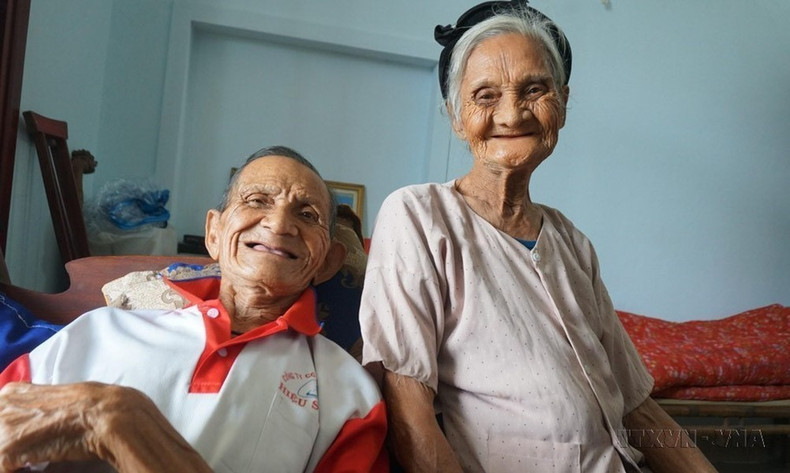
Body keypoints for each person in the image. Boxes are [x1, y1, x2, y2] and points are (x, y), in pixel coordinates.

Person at [358, 2, 716, 472]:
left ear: (562, 104)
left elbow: (635, 406)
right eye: (485, 95)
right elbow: (408, 408)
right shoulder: (420, 215)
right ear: (455, 116)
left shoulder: (571, 241)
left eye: (534, 89)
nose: (510, 114)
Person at [0, 146, 388, 473]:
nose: (279, 222)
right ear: (214, 234)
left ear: (328, 262)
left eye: (307, 215)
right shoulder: (100, 329)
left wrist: (121, 421)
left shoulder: (350, 395)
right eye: (256, 201)